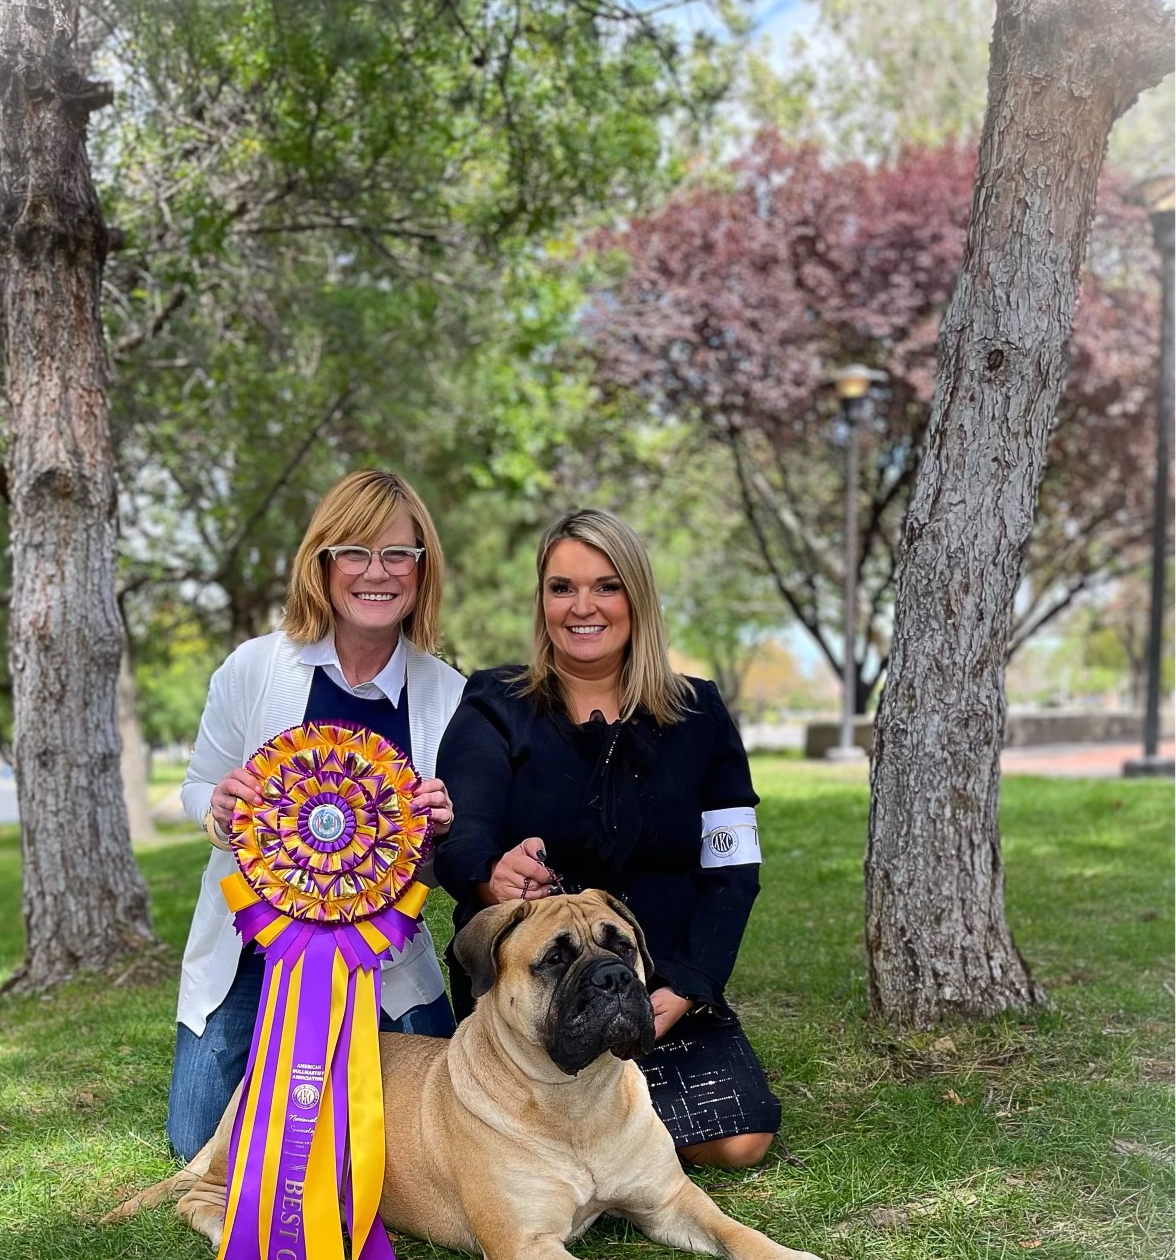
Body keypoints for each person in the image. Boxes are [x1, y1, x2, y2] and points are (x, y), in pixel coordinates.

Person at [433, 507, 778, 1170]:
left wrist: (687, 985)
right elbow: (463, 832)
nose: (582, 607)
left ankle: (601, 1140)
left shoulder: (700, 713)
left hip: (657, 987)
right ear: (542, 600)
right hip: (538, 993)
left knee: (739, 1141)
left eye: (606, 586)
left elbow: (733, 870)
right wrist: (492, 873)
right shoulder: (494, 702)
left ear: (636, 596)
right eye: (562, 588)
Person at [168, 469, 465, 1161]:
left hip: (380, 952)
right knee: (198, 1141)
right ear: (322, 562)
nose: (376, 572)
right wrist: (218, 810)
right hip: (255, 946)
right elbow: (197, 788)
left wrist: (442, 835)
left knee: (433, 1135)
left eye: (398, 554)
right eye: (354, 552)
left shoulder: (448, 695)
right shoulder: (252, 669)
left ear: (422, 568)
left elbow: (441, 867)